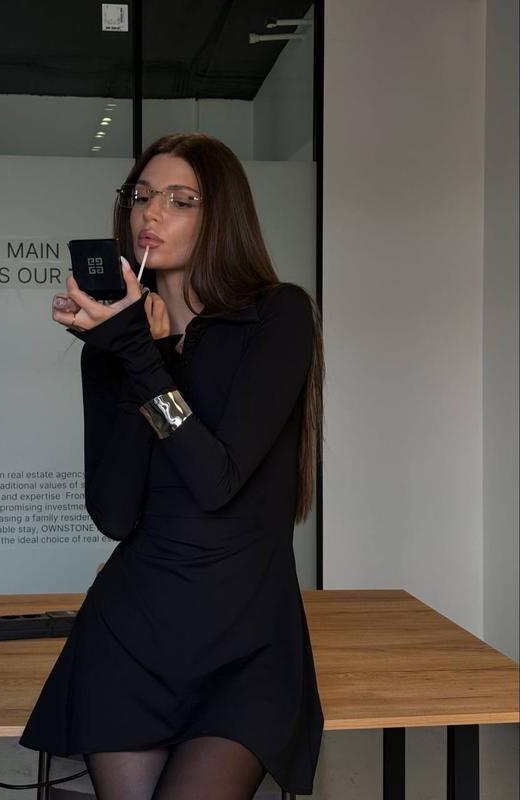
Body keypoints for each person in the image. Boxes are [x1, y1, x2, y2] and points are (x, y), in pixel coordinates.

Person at [19, 133, 325, 800]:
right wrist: (133, 355)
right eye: (142, 196)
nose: (151, 213)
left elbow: (216, 480)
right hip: (132, 635)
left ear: (222, 217)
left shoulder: (276, 318)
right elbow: (114, 513)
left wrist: (143, 356)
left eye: (181, 200)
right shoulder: (113, 351)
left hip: (247, 641)